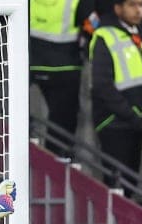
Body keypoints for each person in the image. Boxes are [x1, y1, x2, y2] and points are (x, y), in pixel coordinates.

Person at [89, 0, 142, 187]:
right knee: (117, 185)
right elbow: (102, 85)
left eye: (141, 5)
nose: (138, 10)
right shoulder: (105, 36)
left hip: (136, 121)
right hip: (114, 122)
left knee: (130, 183)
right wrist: (131, 115)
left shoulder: (137, 33)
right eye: (132, 5)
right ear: (117, 8)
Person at [30, 0, 88, 159]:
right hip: (65, 67)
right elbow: (91, 24)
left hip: (29, 61)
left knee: (13, 110)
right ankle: (56, 161)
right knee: (62, 128)